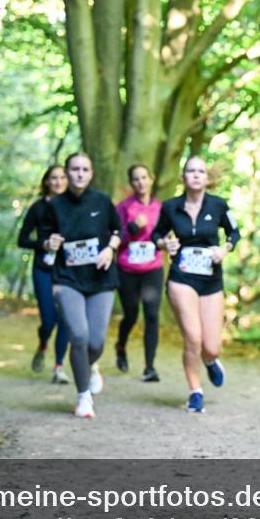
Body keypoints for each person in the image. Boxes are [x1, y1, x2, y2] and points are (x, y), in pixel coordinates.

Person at [151, 156, 241, 413]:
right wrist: (164, 244)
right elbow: (156, 234)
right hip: (182, 276)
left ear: (207, 178)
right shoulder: (170, 207)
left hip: (211, 279)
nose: (196, 175)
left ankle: (211, 360)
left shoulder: (219, 205)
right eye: (191, 171)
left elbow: (235, 232)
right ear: (184, 177)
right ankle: (195, 391)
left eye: (201, 171)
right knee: (193, 337)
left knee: (210, 346)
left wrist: (225, 249)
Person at [41, 152, 121, 419]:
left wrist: (110, 249)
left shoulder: (102, 201)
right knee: (78, 336)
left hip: (100, 279)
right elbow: (43, 238)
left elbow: (118, 232)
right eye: (74, 169)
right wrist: (48, 243)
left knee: (96, 342)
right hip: (67, 279)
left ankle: (90, 366)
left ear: (91, 173)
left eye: (85, 169)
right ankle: (83, 396)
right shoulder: (55, 205)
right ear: (66, 172)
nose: (79, 174)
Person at [17, 165, 70, 384]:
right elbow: (22, 239)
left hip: (68, 269)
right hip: (43, 268)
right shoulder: (38, 208)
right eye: (53, 178)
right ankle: (43, 344)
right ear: (47, 182)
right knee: (49, 320)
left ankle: (59, 367)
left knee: (66, 318)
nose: (58, 182)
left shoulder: (74, 207)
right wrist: (44, 244)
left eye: (62, 178)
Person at [114, 164, 163, 382]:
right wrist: (133, 227)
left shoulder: (161, 208)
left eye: (144, 177)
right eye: (136, 179)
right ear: (131, 183)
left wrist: (166, 241)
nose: (141, 182)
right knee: (131, 314)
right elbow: (114, 238)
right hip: (127, 269)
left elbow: (164, 235)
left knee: (152, 315)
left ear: (151, 179)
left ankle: (149, 367)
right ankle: (121, 345)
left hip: (153, 268)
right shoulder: (124, 207)